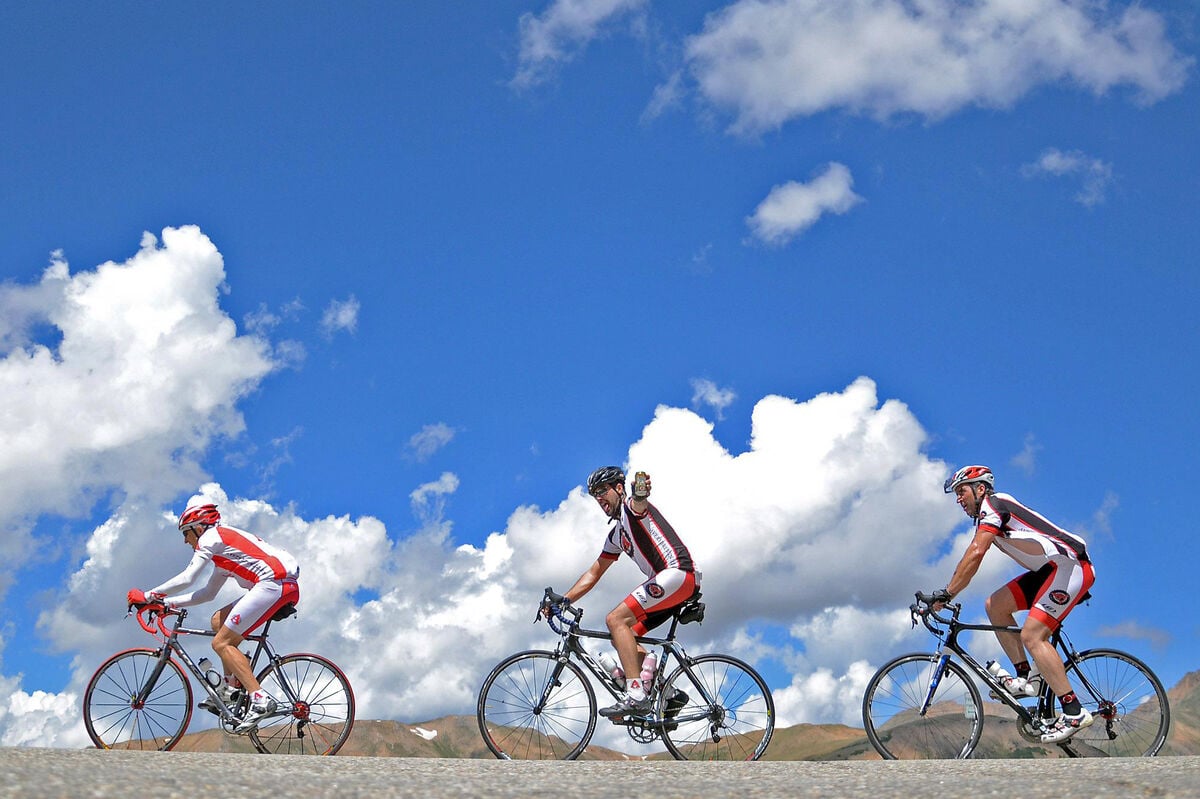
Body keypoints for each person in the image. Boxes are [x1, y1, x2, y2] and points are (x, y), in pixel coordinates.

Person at [930, 465, 1096, 744]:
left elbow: (976, 553)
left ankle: (1073, 711)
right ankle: (1026, 680)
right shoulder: (989, 515)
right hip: (1050, 571)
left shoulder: (994, 505)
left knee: (1033, 636)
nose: (959, 499)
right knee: (994, 605)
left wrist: (946, 594)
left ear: (980, 489)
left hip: (1071, 565)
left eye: (962, 492)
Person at [126, 502, 300, 732]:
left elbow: (188, 578)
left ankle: (259, 699)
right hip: (277, 584)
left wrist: (149, 596)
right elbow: (207, 594)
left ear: (199, 528)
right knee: (217, 622)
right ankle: (230, 688)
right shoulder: (223, 553)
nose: (185, 541)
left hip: (273, 584)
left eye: (186, 533)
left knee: (221, 643)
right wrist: (166, 603)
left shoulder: (211, 537)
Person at [553, 466, 700, 719]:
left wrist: (640, 492)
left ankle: (635, 694)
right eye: (594, 495)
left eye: (602, 491)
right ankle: (669, 693)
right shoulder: (617, 534)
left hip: (677, 573)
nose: (599, 499)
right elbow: (593, 573)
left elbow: (639, 502)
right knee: (622, 635)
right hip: (668, 583)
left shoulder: (631, 510)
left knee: (615, 618)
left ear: (619, 489)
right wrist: (563, 600)